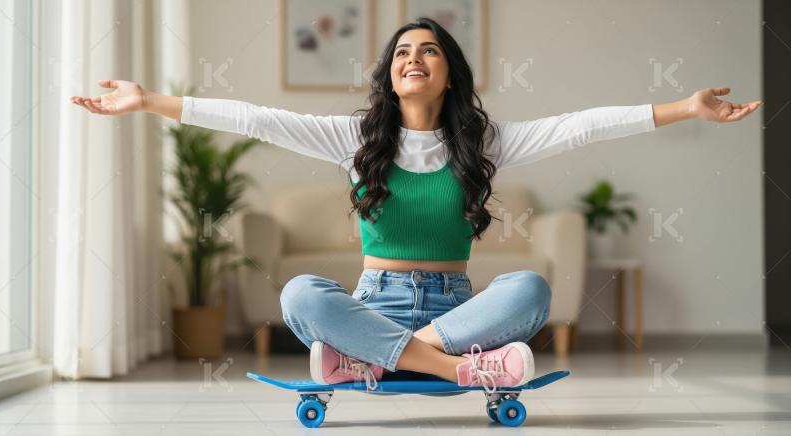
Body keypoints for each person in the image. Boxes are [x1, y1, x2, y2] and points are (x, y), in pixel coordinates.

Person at [71, 18, 761, 393]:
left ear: (449, 73)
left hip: (455, 313)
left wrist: (684, 107)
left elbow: (581, 126)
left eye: (429, 50)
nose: (414, 58)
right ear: (390, 73)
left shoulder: (484, 142)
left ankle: (375, 362)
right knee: (300, 294)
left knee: (529, 288)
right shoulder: (353, 140)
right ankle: (458, 372)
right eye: (403, 51)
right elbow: (254, 118)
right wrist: (149, 100)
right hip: (373, 302)